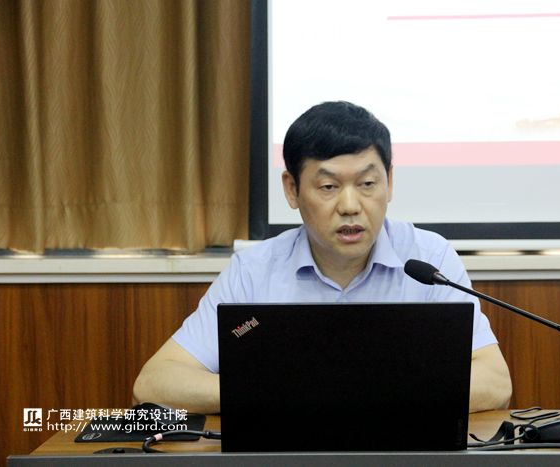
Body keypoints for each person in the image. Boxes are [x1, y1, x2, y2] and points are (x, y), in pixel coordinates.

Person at [133, 101, 512, 413]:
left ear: (390, 182)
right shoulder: (255, 271)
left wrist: (357, 392)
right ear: (292, 189)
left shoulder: (428, 259)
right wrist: (279, 393)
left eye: (367, 184)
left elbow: (494, 382)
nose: (350, 206)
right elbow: (154, 383)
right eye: (328, 186)